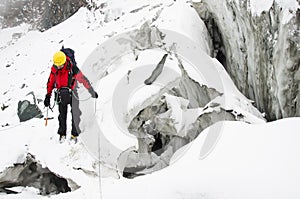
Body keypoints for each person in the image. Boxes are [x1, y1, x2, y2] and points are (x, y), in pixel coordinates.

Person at [44, 51, 98, 143]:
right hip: (60, 95)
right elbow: (50, 83)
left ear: (64, 62)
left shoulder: (72, 68)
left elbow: (83, 79)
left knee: (75, 114)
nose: (59, 67)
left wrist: (91, 91)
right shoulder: (54, 71)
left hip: (73, 93)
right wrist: (48, 96)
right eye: (57, 65)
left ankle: (74, 134)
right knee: (62, 115)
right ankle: (62, 134)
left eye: (60, 65)